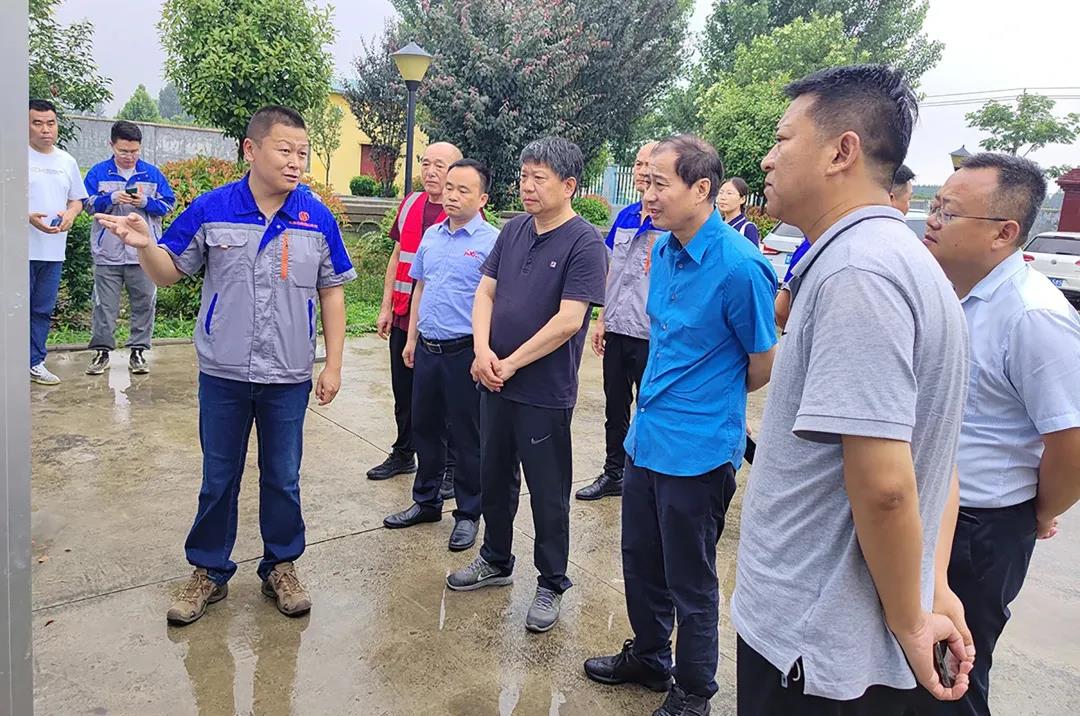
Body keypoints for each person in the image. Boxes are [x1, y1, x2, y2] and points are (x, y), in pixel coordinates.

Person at [731, 64, 975, 713]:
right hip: (833, 640)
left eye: (783, 139)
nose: (767, 158)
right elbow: (939, 458)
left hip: (812, 646)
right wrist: (930, 583)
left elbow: (888, 486)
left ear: (842, 151)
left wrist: (911, 619)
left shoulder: (857, 273)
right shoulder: (896, 259)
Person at [96, 106, 356, 625]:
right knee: (219, 477)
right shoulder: (213, 208)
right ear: (251, 150)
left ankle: (280, 566)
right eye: (285, 150)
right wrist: (145, 246)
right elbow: (168, 272)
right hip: (224, 373)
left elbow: (331, 292)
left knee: (283, 477)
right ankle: (209, 571)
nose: (296, 162)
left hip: (287, 375)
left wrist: (332, 365)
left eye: (302, 153)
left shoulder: (314, 216)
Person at [584, 135, 778, 716]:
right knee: (641, 562)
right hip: (647, 439)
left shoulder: (740, 267)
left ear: (702, 189)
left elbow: (761, 362)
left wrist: (707, 398)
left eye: (659, 184)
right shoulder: (664, 249)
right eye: (644, 183)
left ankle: (694, 690)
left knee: (690, 581)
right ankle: (649, 657)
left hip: (698, 450)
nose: (647, 195)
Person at [922, 152, 1080, 716]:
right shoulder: (949, 293)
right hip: (931, 513)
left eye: (949, 212)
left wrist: (1038, 511)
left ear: (1004, 233)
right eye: (935, 206)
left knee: (951, 680)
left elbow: (1071, 443)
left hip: (980, 532)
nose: (932, 220)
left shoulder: (1033, 315)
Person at [445, 137, 608, 634]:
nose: (527, 186)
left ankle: (552, 581)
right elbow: (485, 293)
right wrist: (481, 351)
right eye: (523, 176)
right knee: (494, 476)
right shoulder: (514, 229)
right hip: (494, 380)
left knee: (547, 491)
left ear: (569, 185)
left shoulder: (585, 243)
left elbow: (569, 321)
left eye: (539, 177)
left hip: (543, 392)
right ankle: (495, 559)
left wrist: (510, 363)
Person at [383, 159, 500, 552]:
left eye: (463, 190)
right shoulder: (432, 235)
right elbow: (421, 287)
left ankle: (468, 514)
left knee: (467, 437)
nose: (452, 195)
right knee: (426, 428)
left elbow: (496, 301)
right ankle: (426, 501)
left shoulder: (492, 242)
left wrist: (484, 351)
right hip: (428, 349)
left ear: (482, 199)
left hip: (464, 352)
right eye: (450, 187)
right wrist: (411, 339)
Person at [367, 142, 464, 494]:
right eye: (426, 163)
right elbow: (397, 257)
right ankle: (404, 451)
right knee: (404, 390)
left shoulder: (463, 214)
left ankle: (451, 466)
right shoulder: (410, 203)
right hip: (404, 313)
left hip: (441, 323)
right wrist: (385, 307)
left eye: (440, 165)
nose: (431, 171)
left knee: (445, 399)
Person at [577, 141, 663, 502]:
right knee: (615, 406)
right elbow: (611, 270)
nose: (641, 171)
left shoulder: (669, 222)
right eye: (637, 163)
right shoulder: (626, 215)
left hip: (652, 334)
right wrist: (601, 319)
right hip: (617, 327)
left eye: (648, 164)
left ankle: (647, 478)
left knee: (651, 407)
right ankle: (614, 472)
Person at [82, 120, 176, 375]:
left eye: (134, 151)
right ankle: (102, 352)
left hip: (143, 254)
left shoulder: (152, 174)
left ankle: (138, 351)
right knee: (104, 305)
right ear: (111, 145)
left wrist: (145, 202)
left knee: (144, 302)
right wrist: (110, 198)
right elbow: (87, 205)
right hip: (107, 252)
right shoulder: (98, 172)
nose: (129, 156)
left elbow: (169, 205)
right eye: (123, 151)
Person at [774, 162, 915, 330]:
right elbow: (783, 308)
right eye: (908, 200)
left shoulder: (869, 243)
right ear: (889, 199)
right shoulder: (830, 240)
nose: (908, 208)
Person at [28, 98, 89, 386]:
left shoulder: (66, 161)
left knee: (42, 309)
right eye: (37, 123)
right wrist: (26, 216)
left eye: (50, 123)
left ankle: (34, 361)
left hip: (53, 250)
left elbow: (77, 199)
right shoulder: (13, 157)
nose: (45, 129)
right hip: (17, 250)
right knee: (13, 310)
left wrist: (71, 214)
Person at [716, 177, 760, 245]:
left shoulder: (748, 228)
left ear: (742, 199)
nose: (723, 197)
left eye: (729, 193)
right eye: (721, 192)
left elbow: (752, 252)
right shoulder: (717, 225)